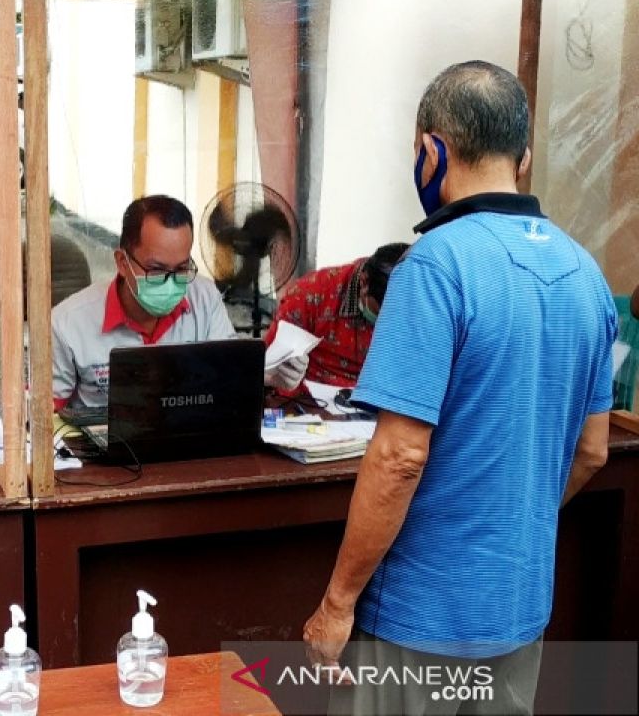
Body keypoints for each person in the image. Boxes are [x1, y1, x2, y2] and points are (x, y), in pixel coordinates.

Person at [303, 61, 615, 715]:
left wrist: (337, 604)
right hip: (520, 606)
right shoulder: (585, 273)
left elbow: (399, 455)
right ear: (523, 158)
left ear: (430, 151)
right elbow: (592, 452)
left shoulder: (434, 266)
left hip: (419, 616)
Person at [52, 195, 305, 411]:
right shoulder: (67, 323)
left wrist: (268, 377)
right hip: (106, 462)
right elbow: (47, 416)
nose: (171, 282)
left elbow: (229, 374)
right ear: (121, 262)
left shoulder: (204, 298)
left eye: (182, 269)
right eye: (156, 269)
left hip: (191, 450)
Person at [263, 242, 409, 391]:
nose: (391, 325)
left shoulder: (423, 306)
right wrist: (278, 378)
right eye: (383, 316)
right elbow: (262, 368)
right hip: (314, 403)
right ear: (364, 284)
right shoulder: (309, 295)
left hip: (383, 402)